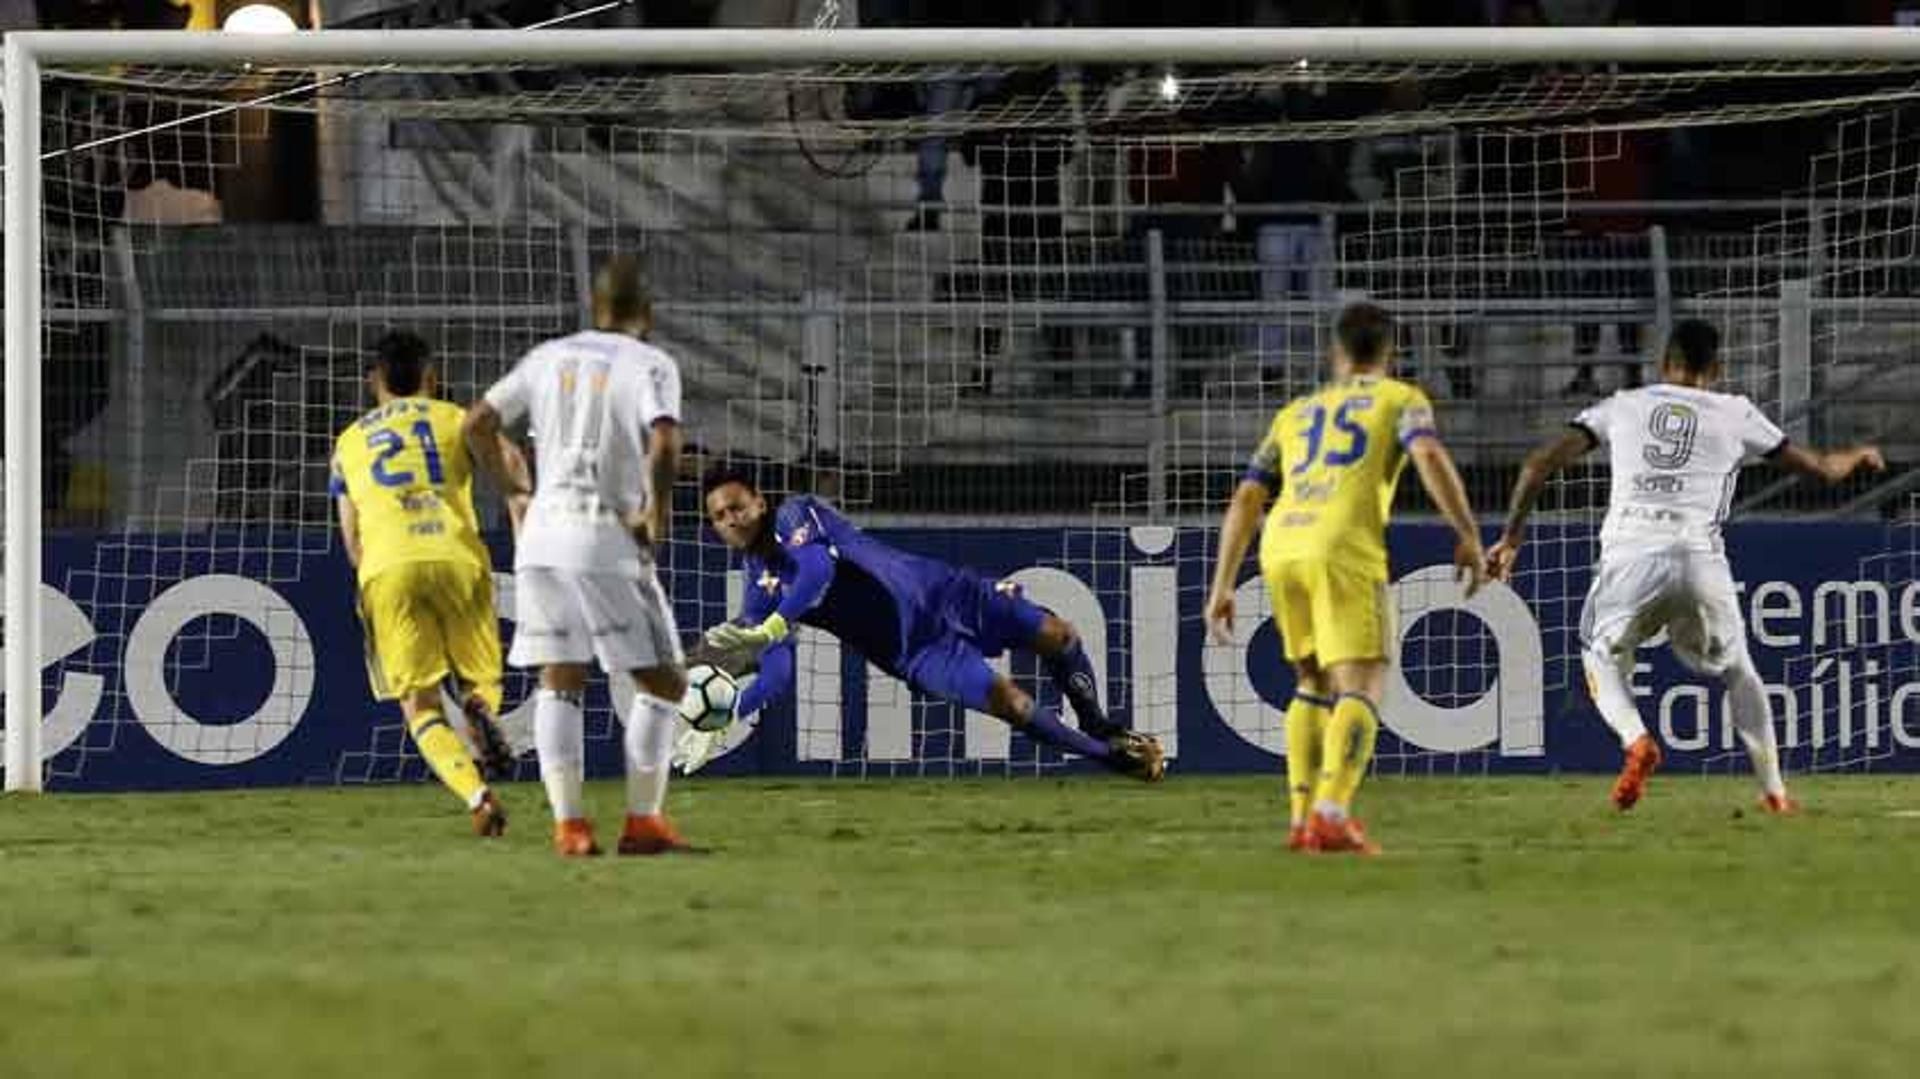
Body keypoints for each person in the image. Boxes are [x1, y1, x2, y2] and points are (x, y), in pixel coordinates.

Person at [1489, 318, 1885, 813]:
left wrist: (1510, 539)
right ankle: (1775, 793)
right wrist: (1858, 454)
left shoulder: (1623, 405)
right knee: (1740, 670)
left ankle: (1636, 741)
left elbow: (1537, 465)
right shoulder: (1736, 412)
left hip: (1630, 554)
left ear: (1662, 365)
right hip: (1700, 559)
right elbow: (1824, 471)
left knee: (1598, 655)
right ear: (1716, 369)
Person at [1205, 302, 1487, 855]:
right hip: (1341, 544)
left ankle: (1301, 818)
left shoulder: (1297, 411)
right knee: (1363, 684)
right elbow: (1427, 453)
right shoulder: (1400, 399)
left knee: (1311, 682)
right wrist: (1468, 532)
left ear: (1335, 353)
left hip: (1282, 542)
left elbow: (1247, 495)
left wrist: (1222, 583)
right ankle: (1332, 813)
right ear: (1390, 352)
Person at [679, 468, 1164, 780]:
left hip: (947, 592)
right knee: (1011, 703)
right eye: (720, 517)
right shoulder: (758, 591)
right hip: (915, 652)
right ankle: (1112, 757)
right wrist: (732, 708)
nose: (732, 520)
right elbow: (777, 668)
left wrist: (773, 626)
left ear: (759, 503)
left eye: (737, 508)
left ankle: (1100, 724)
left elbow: (818, 569)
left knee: (1059, 634)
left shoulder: (794, 513)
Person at [463, 256, 693, 858]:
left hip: (540, 539)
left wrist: (514, 488)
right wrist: (656, 512)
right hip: (605, 538)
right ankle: (643, 821)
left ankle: (570, 826)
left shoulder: (548, 357)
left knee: (560, 681)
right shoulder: (649, 363)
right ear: (646, 313)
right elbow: (665, 438)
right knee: (664, 681)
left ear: (596, 309)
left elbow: (479, 423)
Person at [331, 331, 518, 837]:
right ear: (430, 378)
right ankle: (481, 709)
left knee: (420, 705)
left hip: (389, 566)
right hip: (458, 555)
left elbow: (352, 542)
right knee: (481, 682)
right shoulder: (455, 418)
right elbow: (511, 464)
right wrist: (519, 500)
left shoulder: (348, 443)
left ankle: (477, 797)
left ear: (375, 382)